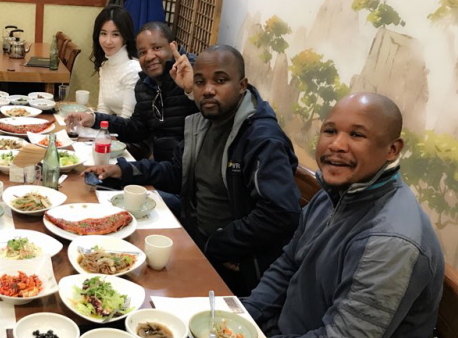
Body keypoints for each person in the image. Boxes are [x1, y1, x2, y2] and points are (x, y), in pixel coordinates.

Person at [242, 93, 444, 338]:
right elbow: (288, 265)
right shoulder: (335, 193)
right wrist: (242, 321)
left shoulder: (390, 240)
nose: (336, 144)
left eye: (356, 135)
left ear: (392, 149)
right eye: (330, 130)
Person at [86, 44, 300, 295]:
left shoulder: (262, 138)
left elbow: (280, 213)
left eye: (220, 80)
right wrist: (123, 171)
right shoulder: (204, 122)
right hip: (196, 240)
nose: (208, 90)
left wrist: (220, 245)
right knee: (108, 256)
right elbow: (177, 172)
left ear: (242, 85)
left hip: (236, 267)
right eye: (200, 82)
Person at [66, 21, 198, 162]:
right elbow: (135, 129)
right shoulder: (144, 85)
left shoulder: (195, 71)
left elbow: (212, 118)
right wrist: (94, 119)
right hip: (164, 166)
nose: (149, 56)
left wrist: (192, 90)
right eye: (142, 52)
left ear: (173, 46)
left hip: (192, 167)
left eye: (157, 48)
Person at [91, 5, 141, 118]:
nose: (108, 41)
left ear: (125, 37)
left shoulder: (133, 70)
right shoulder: (105, 65)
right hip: (117, 125)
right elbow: (103, 109)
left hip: (130, 127)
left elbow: (127, 119)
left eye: (115, 35)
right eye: (103, 33)